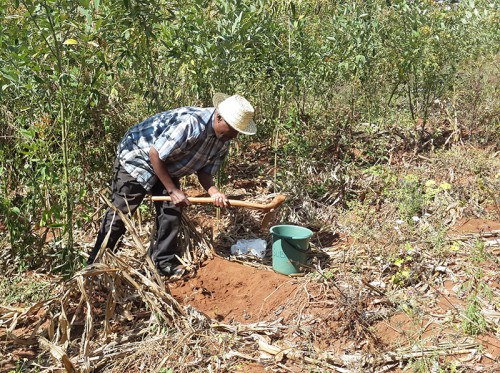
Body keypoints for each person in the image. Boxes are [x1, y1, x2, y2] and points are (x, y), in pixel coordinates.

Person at [88, 93, 257, 276]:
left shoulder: (224, 140)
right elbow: (155, 154)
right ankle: (97, 264)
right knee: (121, 212)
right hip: (137, 157)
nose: (234, 136)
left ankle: (162, 262)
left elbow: (205, 172)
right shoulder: (191, 123)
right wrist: (172, 190)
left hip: (166, 166)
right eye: (233, 129)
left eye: (237, 132)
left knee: (171, 210)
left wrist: (214, 192)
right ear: (219, 117)